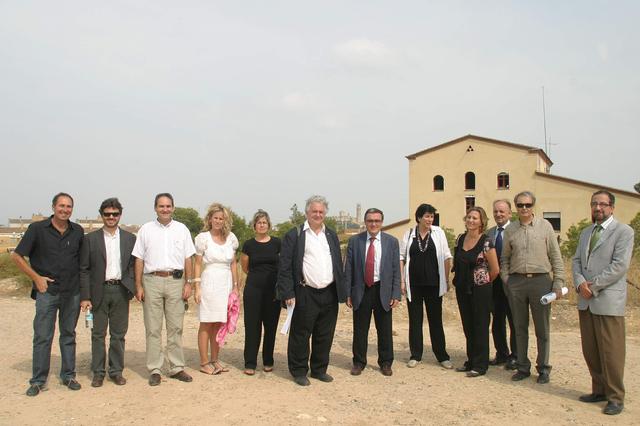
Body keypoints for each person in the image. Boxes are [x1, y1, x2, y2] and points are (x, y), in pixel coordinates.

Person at [12, 192, 84, 396]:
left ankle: (68, 375)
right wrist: (36, 278)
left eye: (69, 206)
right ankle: (38, 380)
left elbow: (82, 263)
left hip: (72, 292)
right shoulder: (37, 229)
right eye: (61, 206)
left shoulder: (77, 231)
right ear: (53, 207)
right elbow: (17, 256)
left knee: (68, 335)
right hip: (47, 292)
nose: (65, 210)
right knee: (43, 336)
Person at [572, 190, 634, 416]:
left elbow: (619, 266)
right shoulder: (586, 232)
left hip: (607, 300)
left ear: (612, 207)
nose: (597, 208)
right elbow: (576, 260)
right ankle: (598, 389)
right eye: (594, 204)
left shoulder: (624, 232)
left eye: (602, 204)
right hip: (586, 300)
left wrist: (593, 286)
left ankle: (615, 397)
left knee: (611, 352)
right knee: (591, 350)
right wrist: (580, 283)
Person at [276, 195, 347, 386]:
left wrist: (341, 289)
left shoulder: (330, 235)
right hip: (304, 291)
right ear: (307, 212)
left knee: (325, 334)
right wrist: (288, 292)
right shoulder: (295, 234)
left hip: (329, 292)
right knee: (301, 334)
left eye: (321, 211)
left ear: (325, 214)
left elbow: (338, 263)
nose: (318, 214)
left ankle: (319, 369)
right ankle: (299, 371)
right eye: (314, 211)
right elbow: (284, 266)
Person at [501, 190, 565, 384]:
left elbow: (555, 256)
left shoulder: (545, 226)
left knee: (542, 328)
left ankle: (543, 368)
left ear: (533, 206)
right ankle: (522, 366)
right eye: (520, 205)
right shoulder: (511, 230)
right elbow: (505, 258)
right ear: (516, 207)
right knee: (519, 327)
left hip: (541, 282)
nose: (524, 208)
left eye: (527, 205)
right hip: (517, 282)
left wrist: (558, 281)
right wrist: (506, 278)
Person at [132, 193, 196, 386]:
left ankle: (176, 367)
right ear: (155, 208)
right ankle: (155, 369)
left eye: (168, 206)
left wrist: (189, 283)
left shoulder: (182, 229)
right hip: (151, 281)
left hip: (176, 282)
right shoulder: (146, 230)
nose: (165, 209)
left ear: (173, 208)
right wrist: (138, 285)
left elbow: (188, 258)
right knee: (153, 328)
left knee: (175, 327)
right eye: (161, 206)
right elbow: (139, 259)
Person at [79, 198, 136, 387]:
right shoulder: (90, 239)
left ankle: (116, 371)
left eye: (115, 214)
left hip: (121, 290)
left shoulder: (129, 239)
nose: (111, 217)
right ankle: (98, 372)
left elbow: (133, 265)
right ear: (101, 215)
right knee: (98, 334)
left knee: (118, 334)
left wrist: (132, 287)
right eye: (107, 214)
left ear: (120, 215)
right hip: (98, 291)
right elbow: (84, 269)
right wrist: (85, 296)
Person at [345, 208, 401, 376]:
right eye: (370, 221)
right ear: (365, 222)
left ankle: (386, 362)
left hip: (383, 290)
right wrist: (348, 293)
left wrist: (396, 293)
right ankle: (358, 362)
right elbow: (348, 269)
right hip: (361, 290)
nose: (373, 224)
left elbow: (396, 269)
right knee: (360, 329)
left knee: (384, 330)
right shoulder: (355, 241)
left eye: (377, 221)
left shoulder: (392, 242)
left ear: (381, 222)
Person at [399, 204, 453, 370]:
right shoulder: (409, 234)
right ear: (419, 217)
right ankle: (415, 355)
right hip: (414, 285)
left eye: (432, 216)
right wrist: (402, 281)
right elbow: (401, 257)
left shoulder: (438, 233)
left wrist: (446, 279)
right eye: (427, 216)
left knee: (435, 320)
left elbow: (446, 256)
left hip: (434, 284)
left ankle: (442, 356)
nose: (430, 219)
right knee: (415, 321)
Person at [452, 207, 500, 377]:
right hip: (462, 288)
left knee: (480, 325)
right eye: (469, 217)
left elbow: (495, 270)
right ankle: (471, 360)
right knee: (468, 325)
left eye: (475, 218)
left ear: (481, 222)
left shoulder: (486, 242)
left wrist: (482, 282)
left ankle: (480, 365)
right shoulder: (460, 239)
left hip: (480, 290)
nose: (471, 220)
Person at [193, 203, 239, 375]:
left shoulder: (231, 238)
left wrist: (235, 287)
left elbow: (233, 263)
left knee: (219, 323)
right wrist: (197, 287)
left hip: (225, 283)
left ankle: (215, 359)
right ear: (210, 219)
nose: (218, 221)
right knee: (207, 322)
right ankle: (204, 362)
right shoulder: (203, 238)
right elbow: (198, 264)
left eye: (221, 218)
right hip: (209, 282)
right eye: (216, 218)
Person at [240, 210, 281, 376]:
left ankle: (268, 360)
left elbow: (282, 264)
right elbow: (245, 267)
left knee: (271, 326)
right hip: (253, 290)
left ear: (269, 225)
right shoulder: (248, 245)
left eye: (264, 222)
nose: (262, 225)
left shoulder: (278, 243)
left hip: (273, 291)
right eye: (259, 222)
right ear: (254, 225)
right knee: (252, 326)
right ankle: (250, 362)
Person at [486, 199, 517, 370]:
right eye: (496, 211)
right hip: (494, 284)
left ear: (510, 213)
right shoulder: (489, 233)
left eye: (502, 211)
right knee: (497, 321)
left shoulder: (517, 231)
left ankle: (516, 356)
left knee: (515, 321)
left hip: (513, 283)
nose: (498, 214)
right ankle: (501, 353)